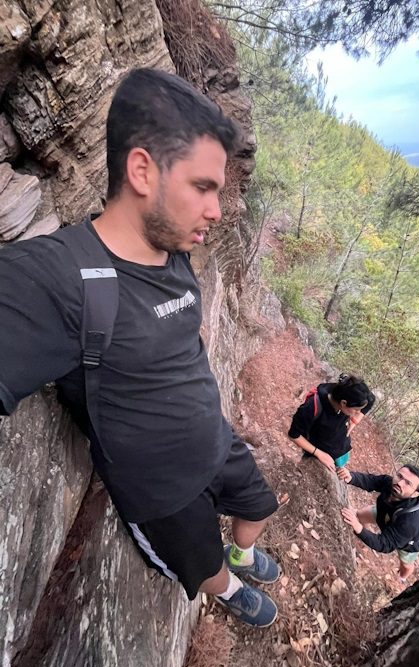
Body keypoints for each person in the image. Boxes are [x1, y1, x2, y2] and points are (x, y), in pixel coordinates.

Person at [0, 69, 281, 627]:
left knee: (260, 508)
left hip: (216, 441)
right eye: (203, 187)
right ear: (142, 170)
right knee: (200, 566)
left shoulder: (171, 250)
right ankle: (225, 586)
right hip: (160, 491)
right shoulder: (58, 279)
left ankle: (240, 555)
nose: (217, 210)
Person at [338, 464, 419, 584]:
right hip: (385, 514)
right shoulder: (390, 484)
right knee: (358, 515)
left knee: (406, 564)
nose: (400, 483)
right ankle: (365, 535)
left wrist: (358, 528)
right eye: (399, 476)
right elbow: (372, 481)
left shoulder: (411, 523)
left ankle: (402, 578)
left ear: (415, 494)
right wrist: (351, 477)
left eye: (408, 483)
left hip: (407, 542)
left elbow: (385, 544)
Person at [288, 374, 375, 472]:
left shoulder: (346, 393)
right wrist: (319, 453)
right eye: (356, 410)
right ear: (343, 403)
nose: (357, 413)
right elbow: (293, 435)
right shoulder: (312, 407)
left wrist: (355, 421)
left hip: (340, 448)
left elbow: (371, 399)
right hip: (319, 452)